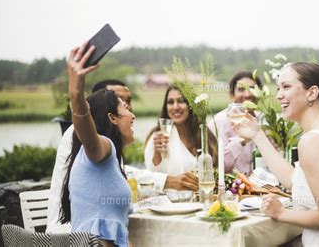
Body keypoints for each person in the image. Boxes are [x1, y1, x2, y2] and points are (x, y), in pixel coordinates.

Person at [234, 62, 319, 246]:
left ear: (312, 93)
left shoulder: (313, 141)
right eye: (279, 88)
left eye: (286, 87)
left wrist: (281, 213)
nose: (278, 95)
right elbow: (293, 180)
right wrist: (258, 135)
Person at [47, 79, 199, 233]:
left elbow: (119, 173)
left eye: (128, 102)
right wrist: (76, 92)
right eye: (121, 103)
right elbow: (89, 138)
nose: (132, 113)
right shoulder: (87, 137)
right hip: (69, 234)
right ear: (107, 111)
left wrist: (167, 182)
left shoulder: (110, 145)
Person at [59, 43, 134, 246]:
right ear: (112, 117)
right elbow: (86, 131)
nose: (133, 115)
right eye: (127, 108)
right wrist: (76, 91)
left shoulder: (107, 161)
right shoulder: (102, 148)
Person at [144, 86, 218, 175]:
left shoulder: (203, 133)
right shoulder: (158, 137)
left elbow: (216, 167)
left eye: (181, 101)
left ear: (191, 105)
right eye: (170, 102)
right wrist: (157, 153)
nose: (175, 107)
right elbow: (153, 175)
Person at [208, 71, 262, 175]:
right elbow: (218, 168)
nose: (248, 94)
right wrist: (241, 141)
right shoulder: (219, 122)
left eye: (252, 88)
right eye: (241, 89)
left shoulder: (264, 119)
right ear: (232, 94)